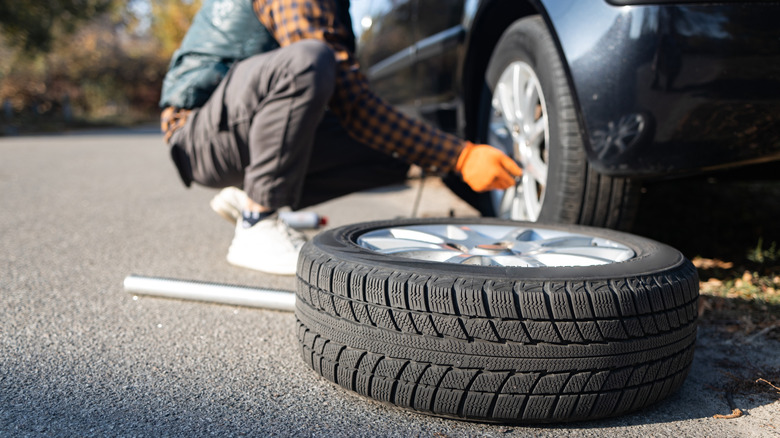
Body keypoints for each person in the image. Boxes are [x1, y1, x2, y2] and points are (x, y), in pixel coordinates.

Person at [159, 0, 522, 275]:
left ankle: (248, 193)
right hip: (198, 134)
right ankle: (257, 222)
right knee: (308, 61)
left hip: (235, 127)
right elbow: (351, 103)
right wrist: (460, 157)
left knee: (394, 151)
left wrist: (443, 152)